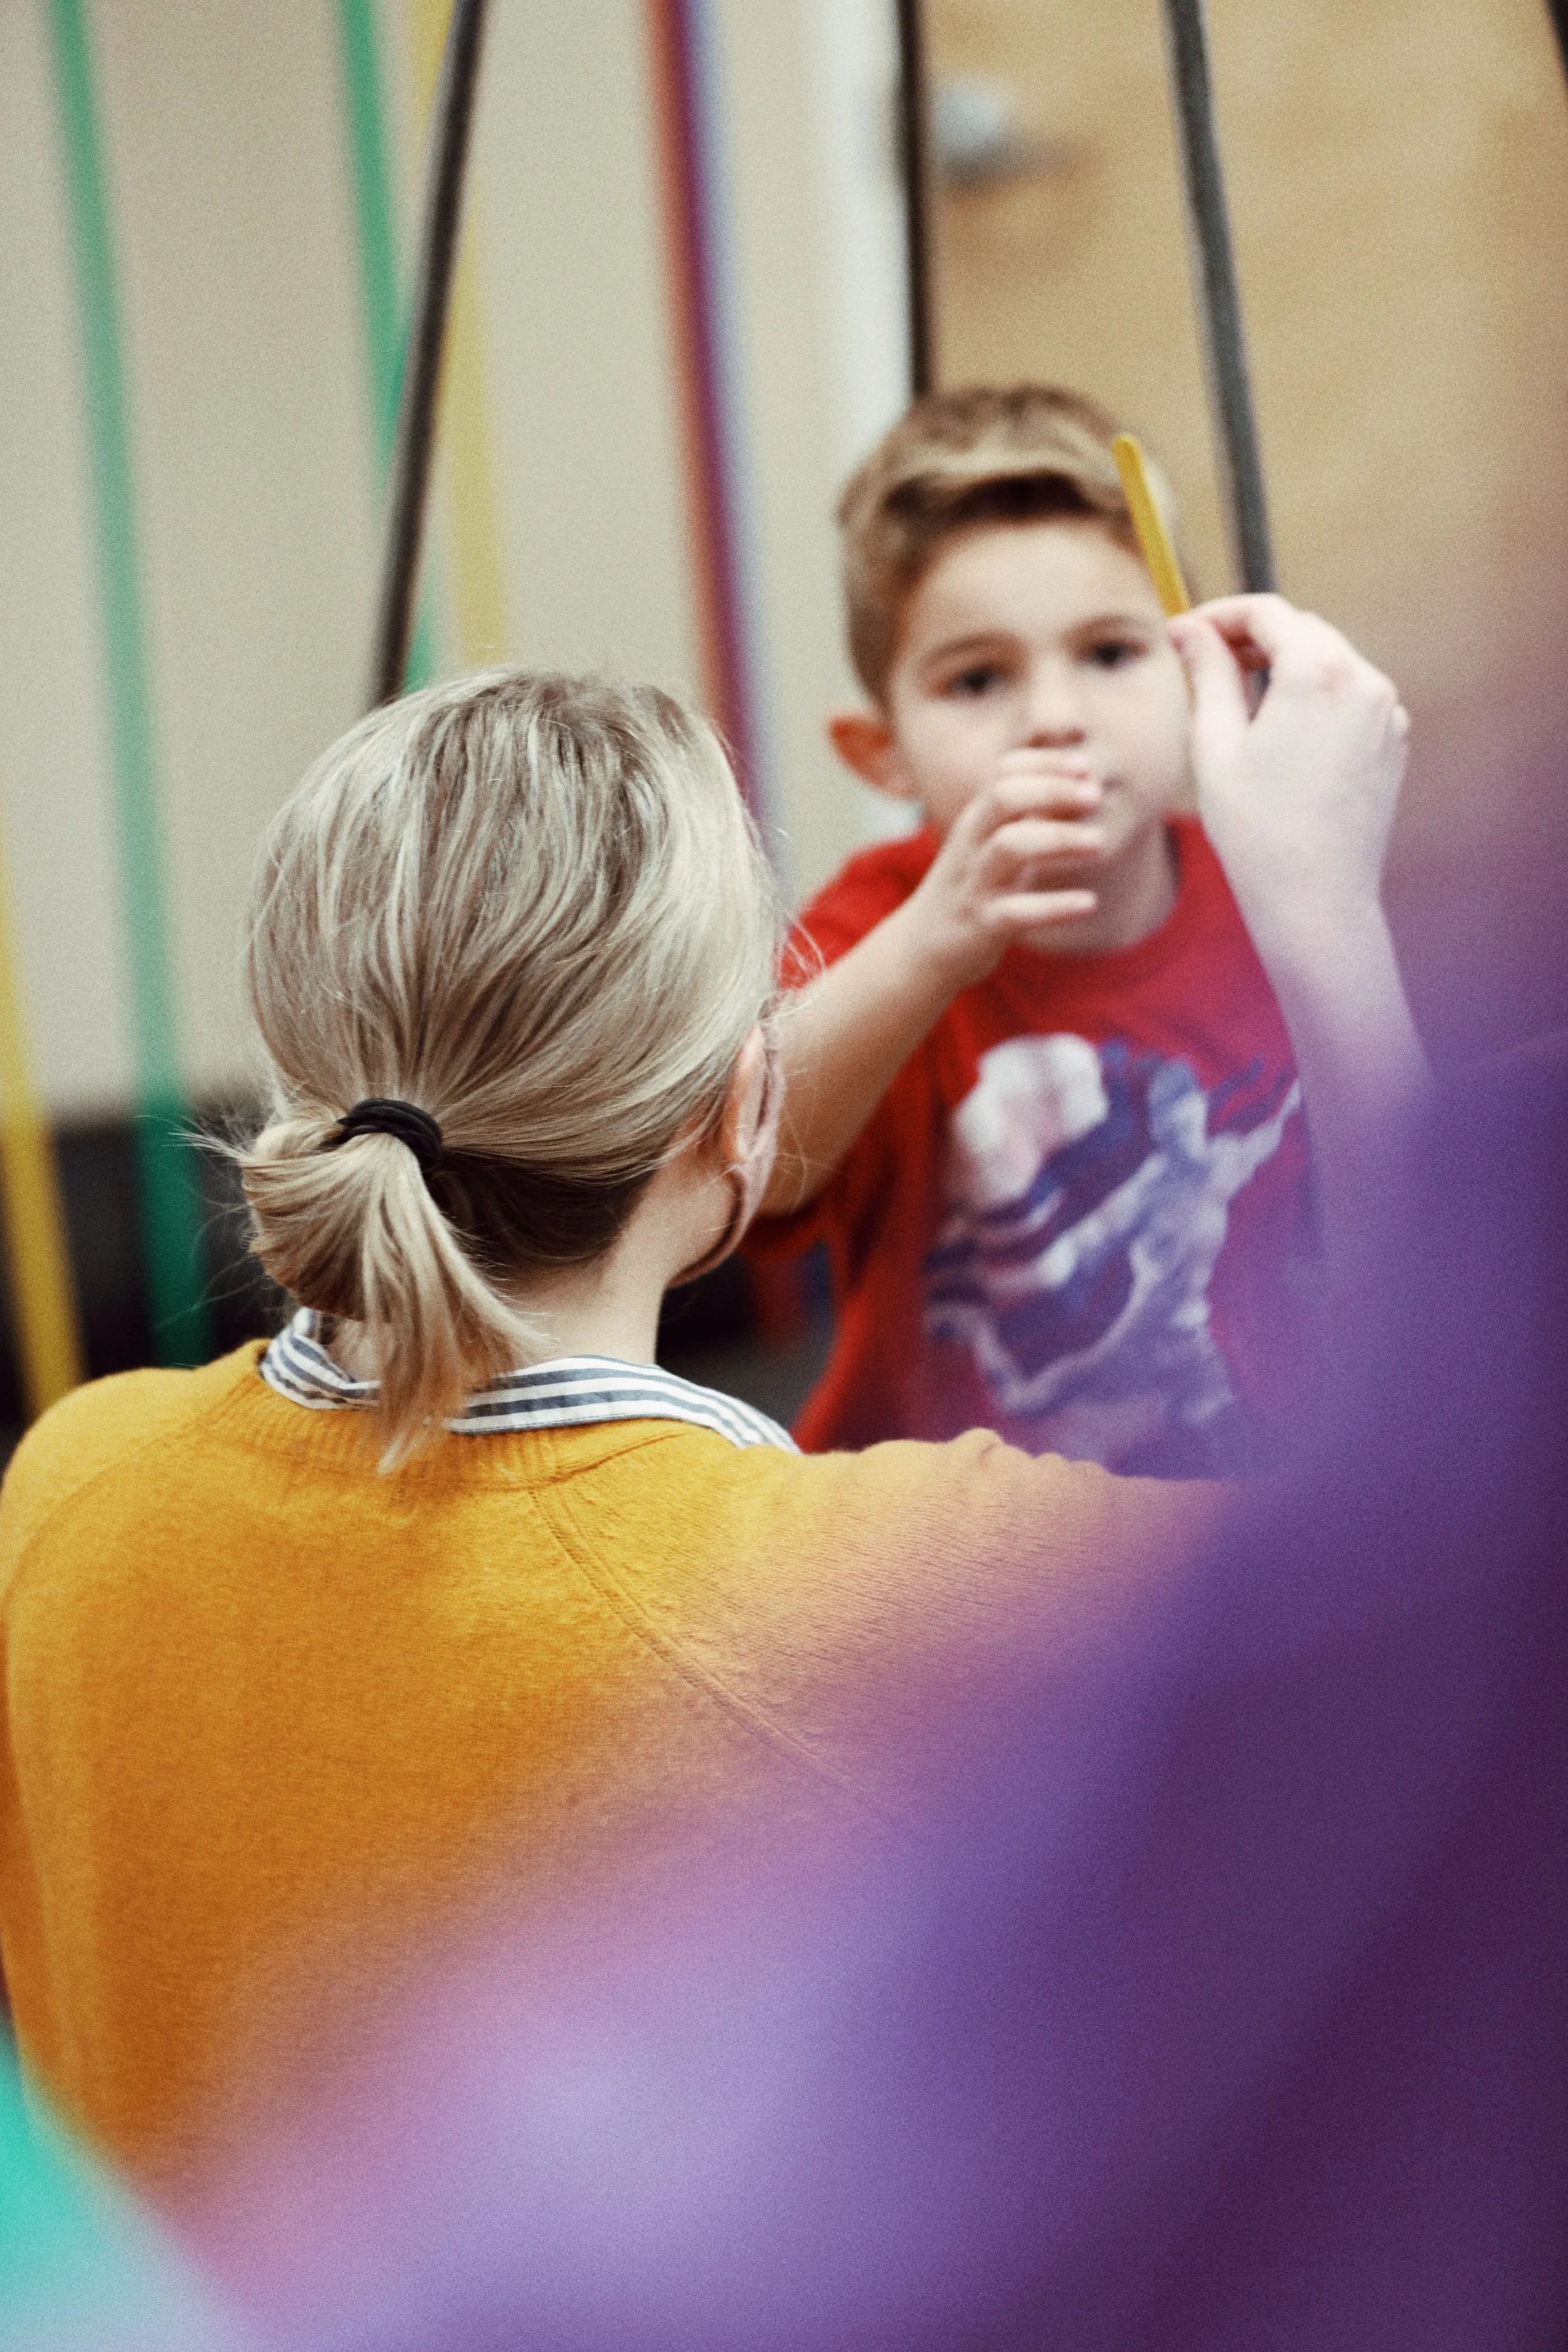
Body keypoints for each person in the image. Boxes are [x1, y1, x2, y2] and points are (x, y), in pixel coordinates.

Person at [0, 600, 1419, 2193]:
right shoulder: (879, 1597)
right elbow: (1452, 1578)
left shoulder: (66, 1491)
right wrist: (1322, 916)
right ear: (746, 1105)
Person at [749, 384, 1352, 1474]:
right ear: (881, 753)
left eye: (1112, 653)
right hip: (929, 1550)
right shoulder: (886, 922)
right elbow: (752, 1161)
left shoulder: (1276, 891)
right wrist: (937, 941)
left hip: (1226, 1518)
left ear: (1199, 673)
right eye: (979, 677)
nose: (1056, 717)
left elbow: (1402, 1225)